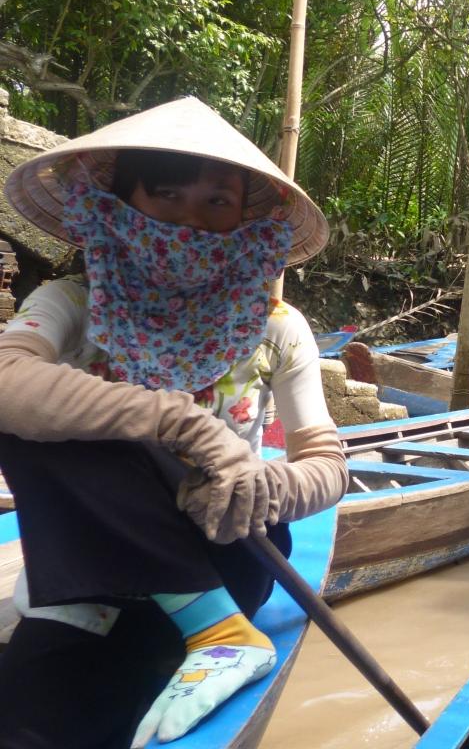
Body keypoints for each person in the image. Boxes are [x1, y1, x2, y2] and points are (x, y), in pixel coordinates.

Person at [0, 96, 347, 749]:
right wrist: (181, 423)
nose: (191, 222)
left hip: (221, 554)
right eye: (166, 196)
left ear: (243, 217)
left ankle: (219, 634)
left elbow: (328, 466)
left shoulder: (276, 327)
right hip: (84, 577)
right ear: (121, 202)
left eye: (216, 202)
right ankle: (199, 632)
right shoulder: (72, 302)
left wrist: (264, 486)